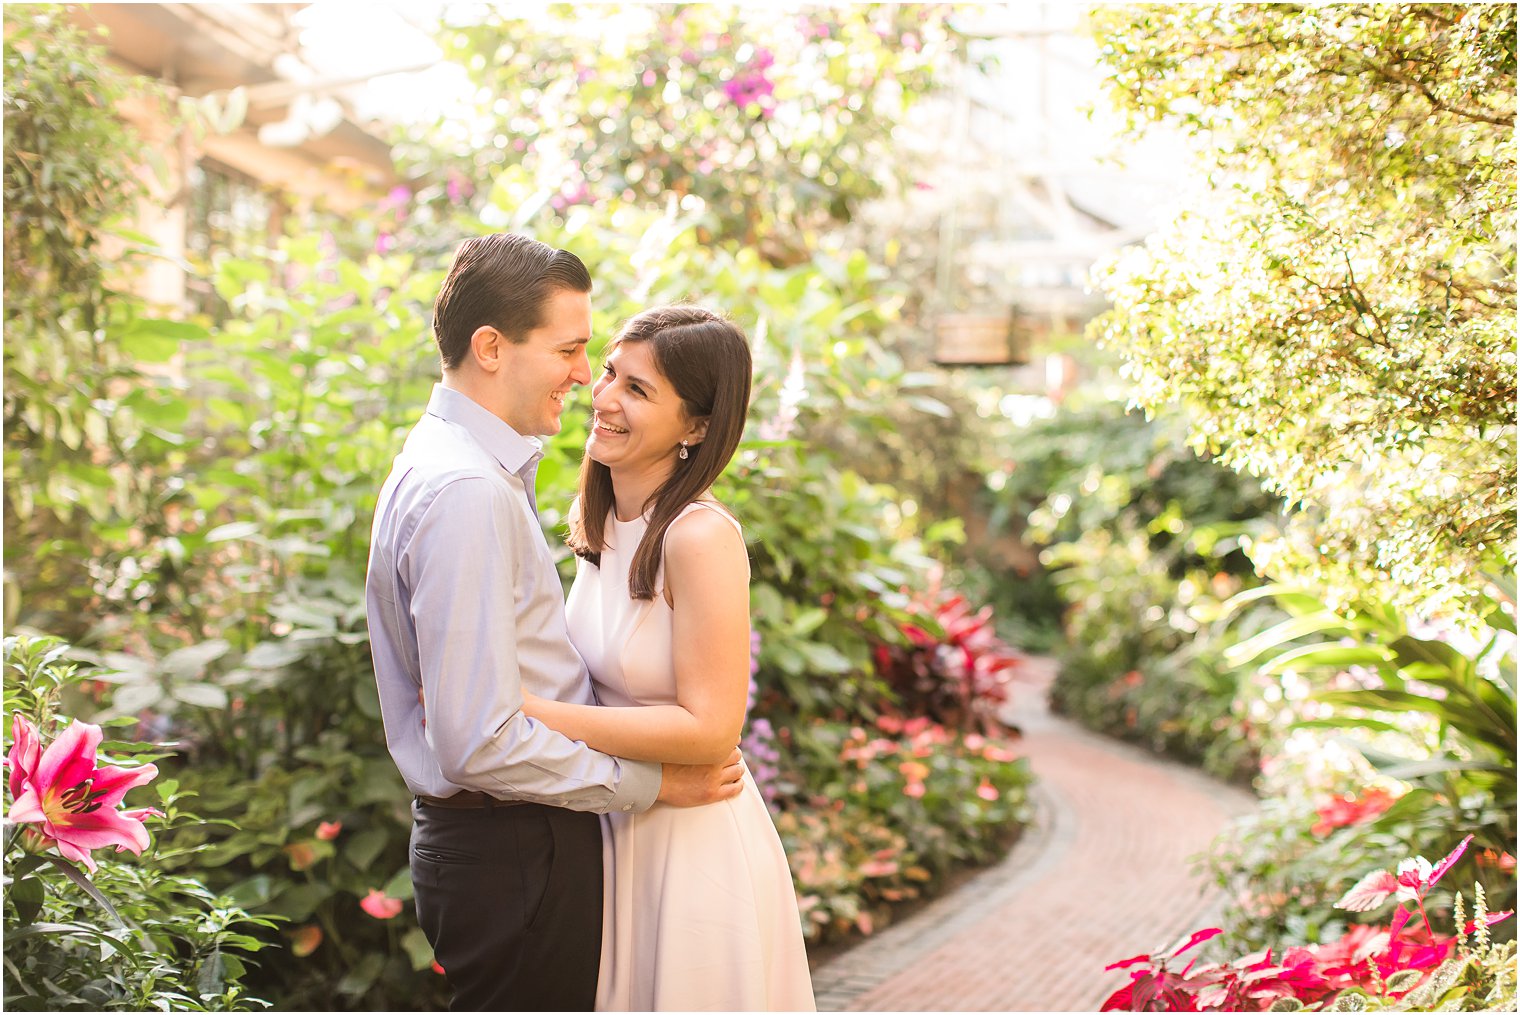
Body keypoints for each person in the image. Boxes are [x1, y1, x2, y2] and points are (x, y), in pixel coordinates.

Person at [365, 234, 745, 1012]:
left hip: (532, 842)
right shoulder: (467, 489)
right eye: (577, 352)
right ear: (492, 347)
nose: (586, 378)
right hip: (513, 847)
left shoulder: (458, 466)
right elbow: (480, 739)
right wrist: (649, 784)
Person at [522, 305, 817, 1011]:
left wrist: (530, 713)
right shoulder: (602, 525)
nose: (605, 398)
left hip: (692, 848)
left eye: (639, 390)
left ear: (696, 427)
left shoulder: (699, 537)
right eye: (612, 373)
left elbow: (712, 729)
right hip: (619, 819)